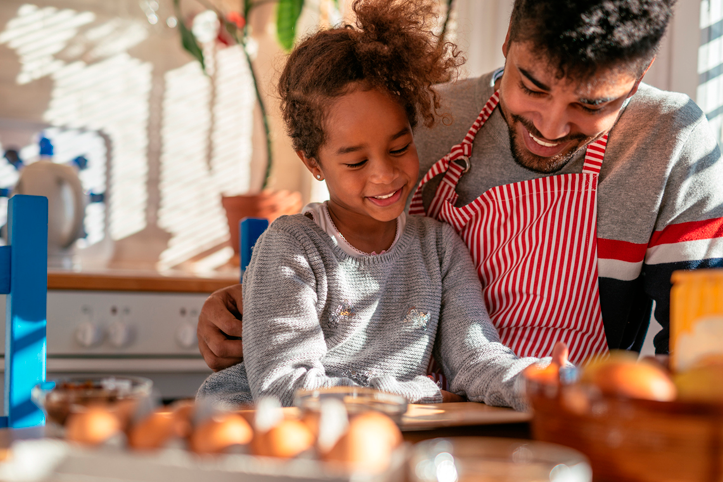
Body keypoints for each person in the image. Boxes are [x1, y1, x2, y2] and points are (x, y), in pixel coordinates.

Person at [198, 0, 723, 370]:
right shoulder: (418, 122)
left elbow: (703, 349)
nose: (550, 126)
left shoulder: (672, 142)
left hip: (568, 428)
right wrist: (253, 306)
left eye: (591, 104)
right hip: (414, 426)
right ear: (508, 41)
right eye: (532, 86)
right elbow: (344, 258)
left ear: (641, 71)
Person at [197, 0, 567, 410]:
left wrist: (537, 382)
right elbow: (286, 388)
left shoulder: (440, 249)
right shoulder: (291, 249)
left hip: (373, 432)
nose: (384, 175)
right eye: (356, 161)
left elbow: (476, 359)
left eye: (399, 146)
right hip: (256, 432)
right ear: (313, 162)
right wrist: (417, 391)